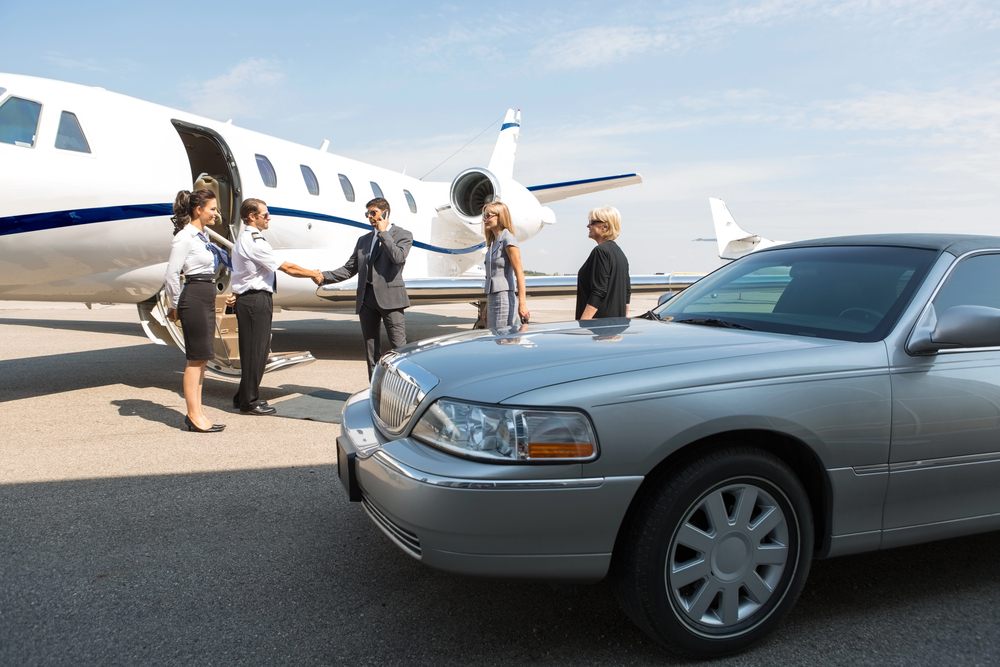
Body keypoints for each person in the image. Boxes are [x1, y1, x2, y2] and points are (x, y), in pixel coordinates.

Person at [230, 199, 323, 415]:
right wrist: (314, 273)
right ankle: (249, 403)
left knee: (256, 351)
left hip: (253, 299)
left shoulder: (248, 239)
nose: (269, 217)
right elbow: (287, 268)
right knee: (255, 352)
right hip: (254, 300)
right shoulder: (253, 241)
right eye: (265, 214)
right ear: (252, 217)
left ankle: (242, 396)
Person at [314, 197, 412, 379]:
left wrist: (384, 234)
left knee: (399, 347)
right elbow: (349, 268)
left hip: (391, 299)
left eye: (373, 213)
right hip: (367, 299)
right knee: (371, 348)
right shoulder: (363, 240)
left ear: (385, 213)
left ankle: (403, 388)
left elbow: (398, 258)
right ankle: (374, 389)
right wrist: (323, 277)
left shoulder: (403, 235)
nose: (370, 217)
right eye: (367, 213)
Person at [164, 189, 228, 433]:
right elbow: (172, 274)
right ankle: (193, 415)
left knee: (202, 358)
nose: (216, 213)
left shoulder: (202, 236)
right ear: (198, 210)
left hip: (206, 293)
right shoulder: (185, 237)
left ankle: (198, 412)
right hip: (194, 295)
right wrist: (175, 304)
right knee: (195, 358)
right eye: (212, 208)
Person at [575, 206, 631, 320]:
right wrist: (622, 321)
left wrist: (583, 322)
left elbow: (599, 292)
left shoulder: (600, 252)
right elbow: (627, 293)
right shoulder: (620, 254)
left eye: (592, 222)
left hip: (598, 330)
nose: (588, 226)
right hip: (615, 326)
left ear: (605, 227)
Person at [482, 201, 529, 328]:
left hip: (504, 299)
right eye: (483, 216)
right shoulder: (492, 242)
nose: (484, 219)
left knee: (503, 340)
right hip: (493, 299)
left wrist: (522, 303)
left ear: (500, 216)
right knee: (495, 341)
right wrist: (487, 305)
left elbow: (519, 272)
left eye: (488, 215)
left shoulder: (508, 239)